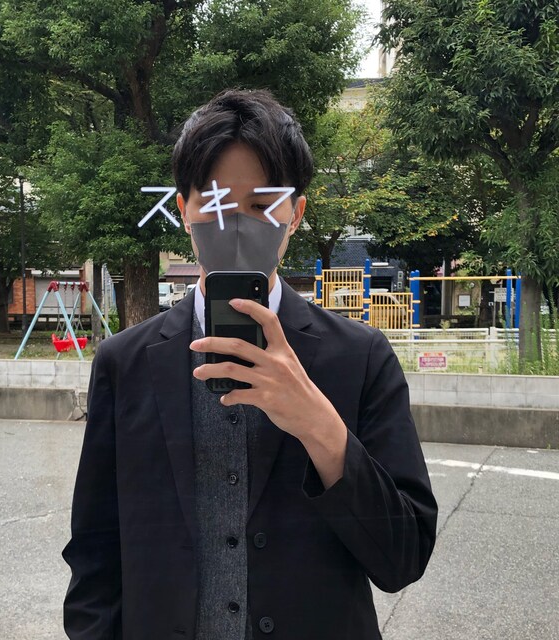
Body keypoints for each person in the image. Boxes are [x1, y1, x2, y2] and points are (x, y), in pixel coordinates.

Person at [62, 89, 438, 640]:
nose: (238, 225)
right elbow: (95, 549)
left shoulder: (360, 356)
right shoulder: (125, 362)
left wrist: (320, 427)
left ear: (296, 214)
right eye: (216, 203)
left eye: (263, 205)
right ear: (183, 210)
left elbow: (404, 557)